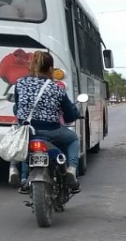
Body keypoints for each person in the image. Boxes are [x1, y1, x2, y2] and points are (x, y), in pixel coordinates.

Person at [8, 51, 81, 192]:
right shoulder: (56, 88)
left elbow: (18, 108)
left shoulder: (20, 83)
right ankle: (71, 169)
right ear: (50, 69)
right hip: (52, 130)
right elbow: (70, 115)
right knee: (73, 139)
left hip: (27, 129)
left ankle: (16, 171)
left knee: (21, 142)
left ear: (31, 66)